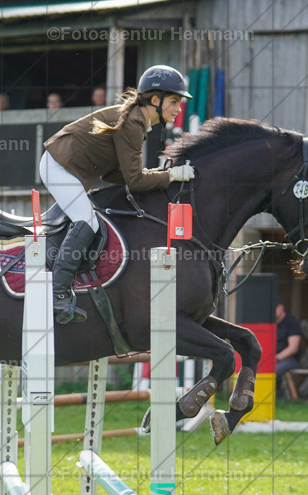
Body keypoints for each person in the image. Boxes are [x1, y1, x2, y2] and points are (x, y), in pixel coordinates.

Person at [39, 65, 194, 323]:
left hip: (66, 168)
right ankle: (57, 294)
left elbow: (113, 175)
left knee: (88, 219)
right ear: (155, 100)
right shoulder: (133, 123)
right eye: (174, 101)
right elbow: (135, 181)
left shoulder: (135, 120)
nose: (178, 109)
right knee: (86, 221)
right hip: (58, 167)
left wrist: (156, 175)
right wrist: (170, 176)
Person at [275, 300, 303, 395]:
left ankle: (278, 397)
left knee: (275, 370)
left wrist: (276, 358)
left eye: (274, 308)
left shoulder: (292, 322)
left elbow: (293, 348)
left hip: (290, 359)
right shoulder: (269, 322)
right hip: (271, 358)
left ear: (281, 307)